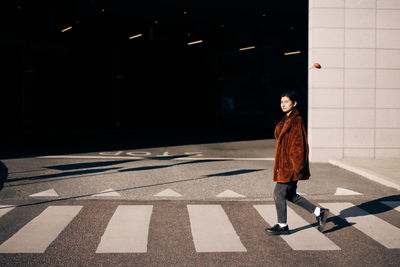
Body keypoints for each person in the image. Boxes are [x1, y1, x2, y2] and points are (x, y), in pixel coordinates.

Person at [265, 90, 329, 235]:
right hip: (287, 166)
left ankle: (282, 225)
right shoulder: (287, 119)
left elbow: (299, 146)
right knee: (290, 195)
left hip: (290, 167)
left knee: (278, 194)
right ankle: (320, 212)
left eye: (286, 102)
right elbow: (278, 136)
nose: (283, 104)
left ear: (294, 103)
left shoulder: (296, 121)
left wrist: (296, 167)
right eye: (282, 102)